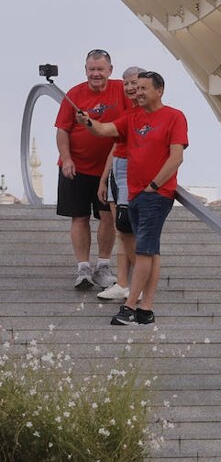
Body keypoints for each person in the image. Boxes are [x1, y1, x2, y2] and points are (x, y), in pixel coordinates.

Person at [78, 71, 187, 327]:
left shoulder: (174, 116)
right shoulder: (133, 117)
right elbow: (105, 130)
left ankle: (131, 307)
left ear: (159, 90)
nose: (137, 93)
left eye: (143, 88)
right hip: (135, 194)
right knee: (148, 250)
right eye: (136, 88)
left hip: (155, 195)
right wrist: (87, 122)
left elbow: (176, 157)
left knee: (145, 250)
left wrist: (154, 185)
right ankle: (146, 310)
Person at [55, 48, 131, 291]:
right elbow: (62, 130)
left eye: (100, 69)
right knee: (79, 216)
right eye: (91, 69)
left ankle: (103, 265)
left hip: (108, 169)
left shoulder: (122, 90)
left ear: (110, 70)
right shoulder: (74, 94)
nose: (95, 74)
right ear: (85, 70)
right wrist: (66, 159)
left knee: (107, 216)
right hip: (76, 167)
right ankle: (83, 267)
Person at [95, 65, 145, 301]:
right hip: (118, 173)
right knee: (121, 231)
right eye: (126, 84)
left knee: (130, 232)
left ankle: (141, 284)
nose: (131, 88)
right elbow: (116, 146)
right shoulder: (127, 114)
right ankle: (123, 283)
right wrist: (104, 178)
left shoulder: (150, 113)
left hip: (135, 177)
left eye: (135, 83)